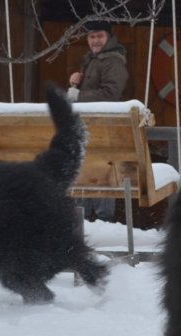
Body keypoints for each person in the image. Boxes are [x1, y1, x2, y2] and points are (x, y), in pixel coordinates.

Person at [68, 21, 129, 222]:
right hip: (89, 127)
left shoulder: (113, 61)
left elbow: (111, 94)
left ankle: (104, 224)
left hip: (105, 128)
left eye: (99, 36)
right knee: (86, 172)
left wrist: (78, 95)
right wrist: (75, 85)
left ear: (109, 37)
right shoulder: (93, 60)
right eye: (92, 37)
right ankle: (83, 221)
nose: (95, 41)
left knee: (103, 174)